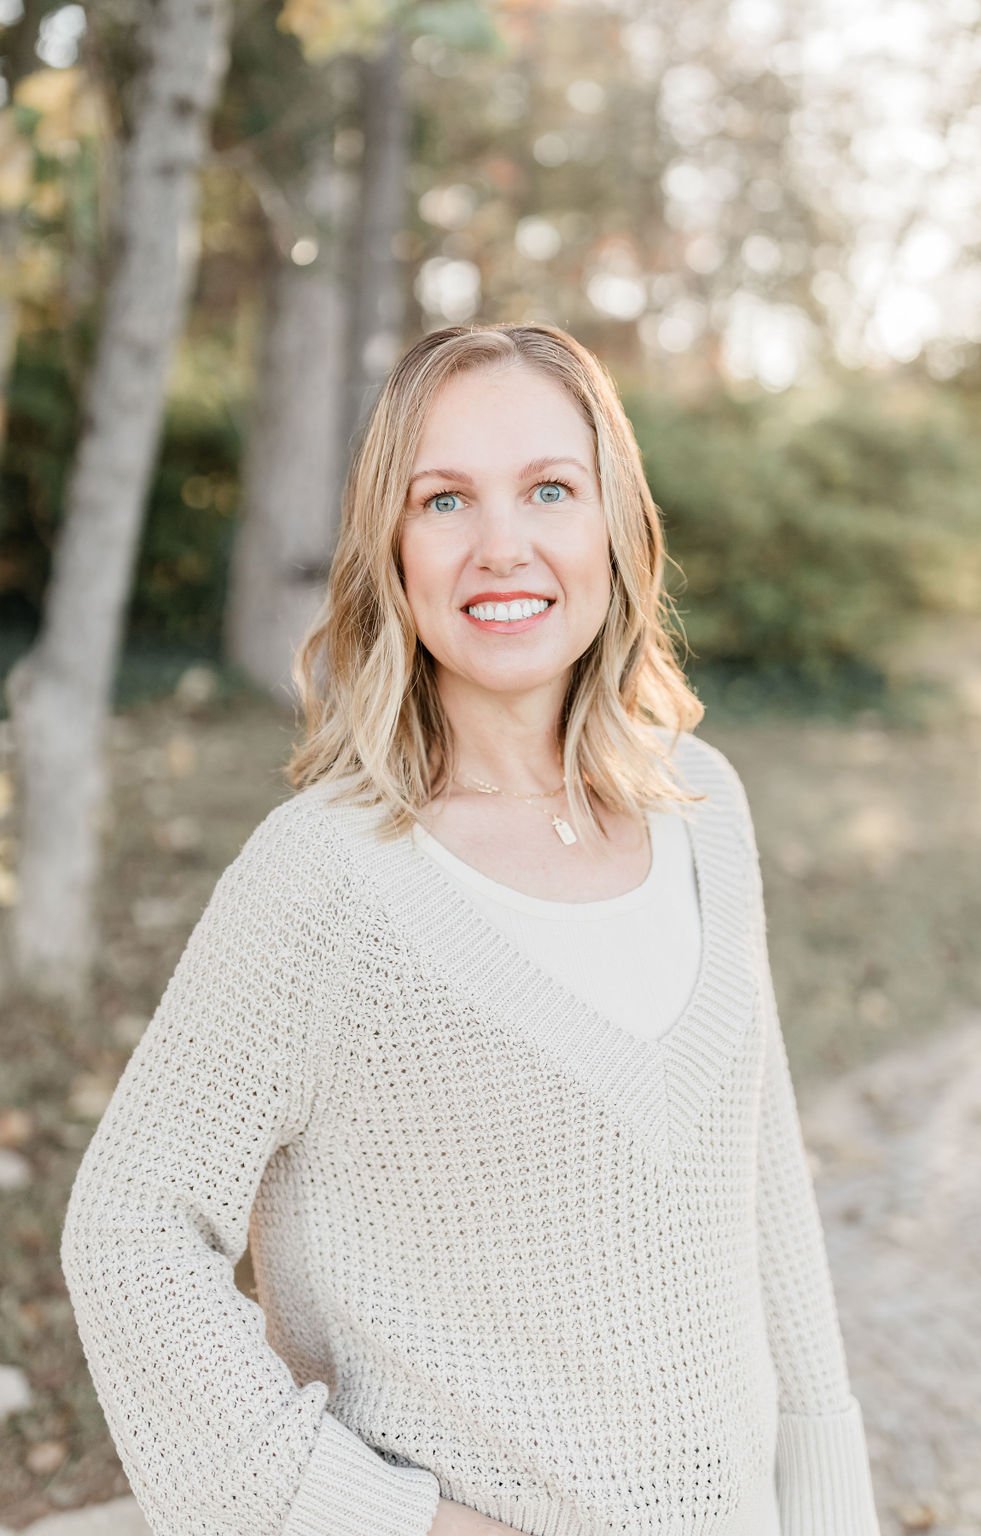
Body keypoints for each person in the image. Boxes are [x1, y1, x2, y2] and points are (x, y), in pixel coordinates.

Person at [61, 323, 881, 1536]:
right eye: (443, 500)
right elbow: (130, 1234)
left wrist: (829, 1509)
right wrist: (378, 1521)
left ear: (617, 522)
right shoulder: (327, 877)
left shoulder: (703, 805)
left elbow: (760, 1200)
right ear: (389, 550)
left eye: (550, 488)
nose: (504, 546)